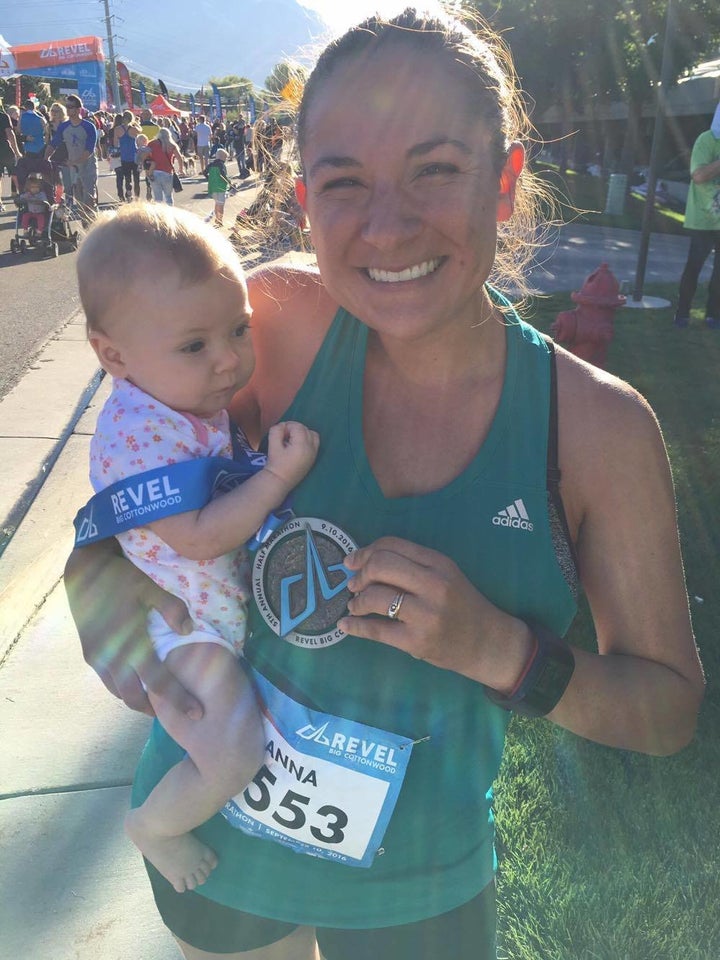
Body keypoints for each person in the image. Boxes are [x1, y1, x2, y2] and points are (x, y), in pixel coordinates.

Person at [65, 9, 704, 960]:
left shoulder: (598, 429)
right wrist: (102, 603)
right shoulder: (264, 324)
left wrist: (502, 652)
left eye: (436, 169)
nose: (387, 225)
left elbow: (667, 712)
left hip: (420, 887)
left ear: (506, 179)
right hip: (217, 847)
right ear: (305, 197)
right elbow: (127, 473)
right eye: (344, 182)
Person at [76, 202, 319, 894]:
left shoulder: (179, 401)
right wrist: (276, 477)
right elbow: (201, 536)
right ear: (113, 354)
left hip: (208, 610)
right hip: (187, 625)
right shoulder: (140, 431)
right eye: (195, 346)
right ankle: (156, 826)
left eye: (238, 329)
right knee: (234, 752)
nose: (228, 360)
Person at [674, 102, 720, 329]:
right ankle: (682, 313)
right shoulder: (706, 140)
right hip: (703, 218)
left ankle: (714, 315)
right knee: (694, 267)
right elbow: (699, 175)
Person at [48, 94, 98, 210]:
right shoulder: (64, 127)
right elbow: (53, 144)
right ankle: (86, 225)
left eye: (71, 106)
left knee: (88, 198)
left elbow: (89, 150)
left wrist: (75, 161)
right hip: (73, 168)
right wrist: (46, 158)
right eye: (67, 106)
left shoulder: (89, 126)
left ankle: (93, 220)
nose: (68, 109)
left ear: (78, 109)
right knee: (79, 201)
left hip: (88, 167)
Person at [147, 127, 184, 205]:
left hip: (155, 172)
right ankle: (169, 212)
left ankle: (159, 214)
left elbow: (146, 155)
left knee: (158, 198)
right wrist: (181, 169)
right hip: (167, 172)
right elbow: (180, 158)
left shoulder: (152, 143)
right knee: (168, 196)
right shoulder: (172, 145)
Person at [114, 109, 141, 202]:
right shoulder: (134, 129)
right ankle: (137, 197)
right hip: (134, 155)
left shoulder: (117, 129)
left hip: (124, 156)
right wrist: (135, 123)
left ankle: (129, 193)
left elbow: (115, 143)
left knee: (127, 177)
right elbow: (140, 131)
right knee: (136, 178)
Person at [206, 147, 231, 226]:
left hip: (212, 187)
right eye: (225, 158)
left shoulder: (211, 164)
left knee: (217, 203)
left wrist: (209, 178)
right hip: (221, 187)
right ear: (223, 157)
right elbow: (223, 174)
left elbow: (204, 172)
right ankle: (219, 220)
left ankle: (217, 219)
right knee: (221, 205)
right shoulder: (221, 165)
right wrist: (228, 181)